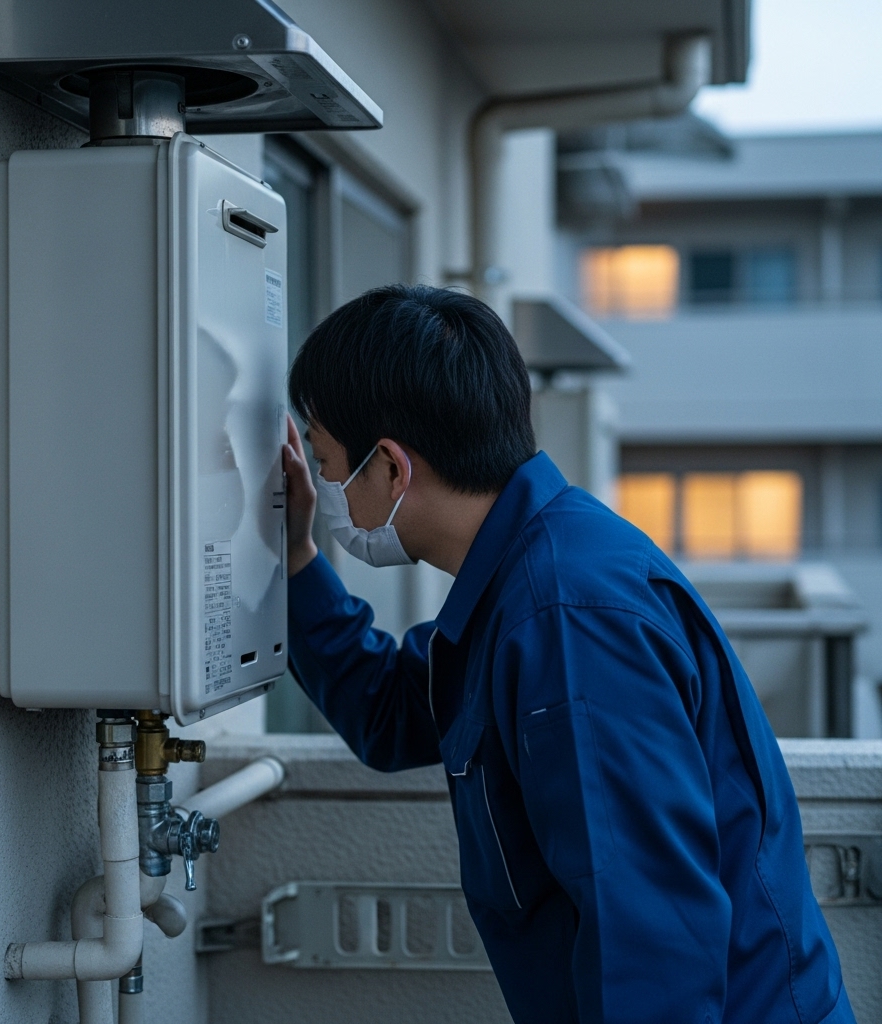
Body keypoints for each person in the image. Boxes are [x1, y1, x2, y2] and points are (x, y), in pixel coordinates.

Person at [280, 284, 852, 1024]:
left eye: (326, 463)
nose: (325, 488)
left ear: (391, 466)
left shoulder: (567, 621)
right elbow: (391, 711)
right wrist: (295, 560)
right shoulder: (526, 579)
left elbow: (647, 942)